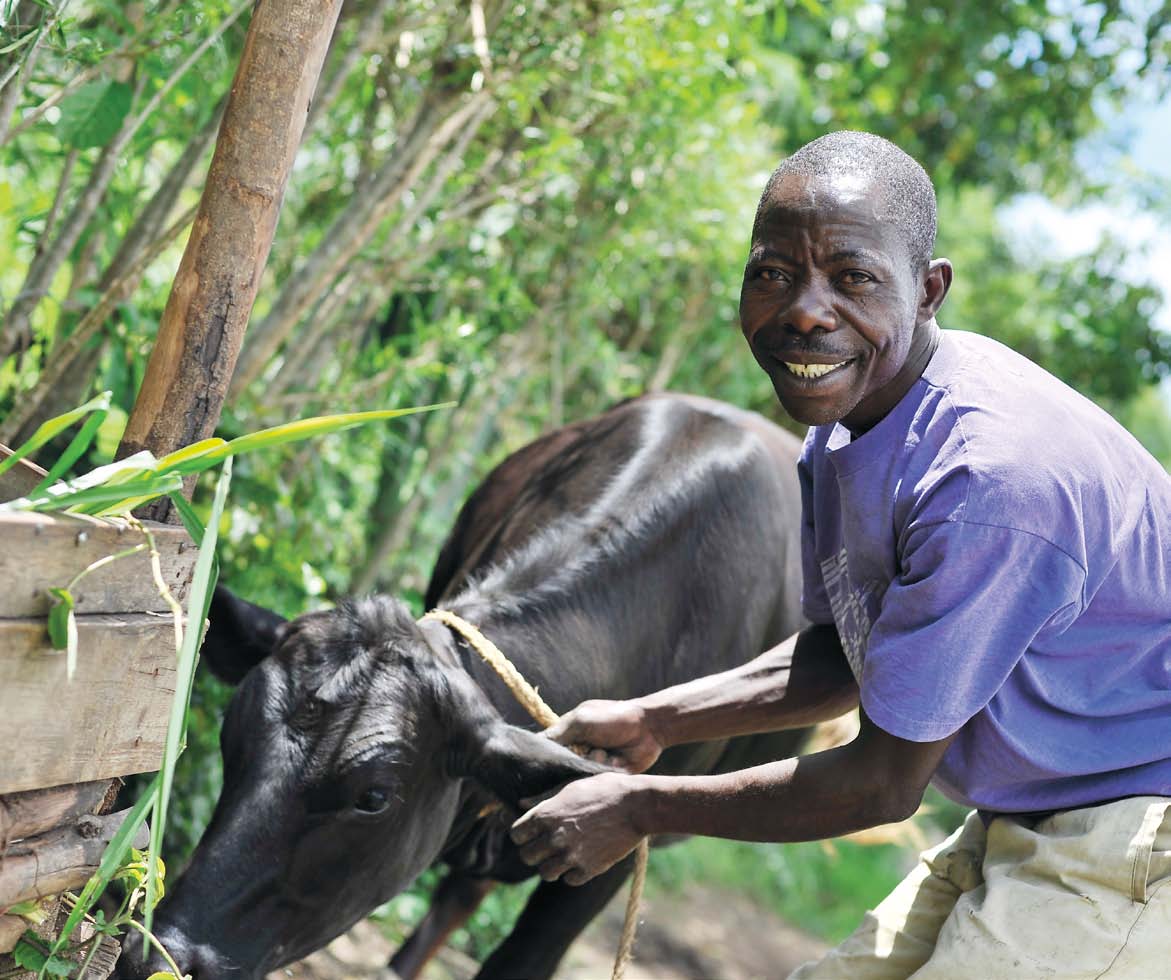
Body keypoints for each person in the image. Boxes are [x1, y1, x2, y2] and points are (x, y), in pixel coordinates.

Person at [508, 130, 1171, 979]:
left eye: (853, 278)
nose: (805, 310)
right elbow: (849, 652)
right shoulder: (850, 424)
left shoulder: (987, 486)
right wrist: (653, 722)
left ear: (928, 291)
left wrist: (636, 805)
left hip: (1134, 840)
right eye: (772, 273)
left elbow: (879, 786)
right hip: (1036, 812)